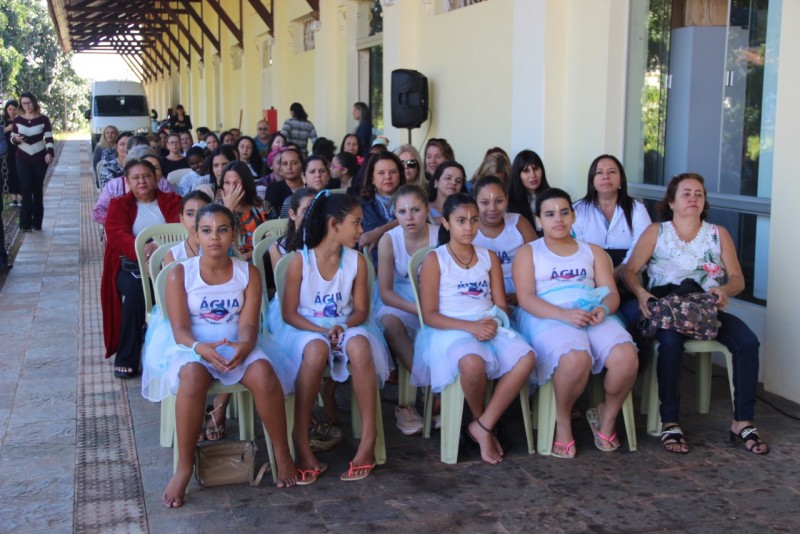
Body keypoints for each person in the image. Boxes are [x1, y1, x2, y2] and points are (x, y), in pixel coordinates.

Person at [142, 204, 298, 508]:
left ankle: (282, 453)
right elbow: (180, 330)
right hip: (193, 345)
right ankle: (184, 466)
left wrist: (245, 345)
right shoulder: (180, 274)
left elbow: (250, 323)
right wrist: (201, 348)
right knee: (192, 377)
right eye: (207, 230)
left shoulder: (247, 272)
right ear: (196, 235)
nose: (215, 237)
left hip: (236, 341)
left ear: (234, 234)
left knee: (265, 375)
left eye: (223, 229)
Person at [623, 173, 768, 455]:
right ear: (672, 202)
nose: (693, 198)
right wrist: (641, 294)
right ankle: (670, 421)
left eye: (698, 194)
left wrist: (725, 290)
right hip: (669, 308)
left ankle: (743, 421)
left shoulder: (718, 234)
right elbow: (630, 270)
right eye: (686, 193)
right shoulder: (657, 231)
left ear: (704, 202)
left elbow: (738, 278)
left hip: (705, 309)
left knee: (748, 341)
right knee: (670, 344)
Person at [512, 188, 638, 458]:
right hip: (547, 314)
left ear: (573, 217)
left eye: (564, 212)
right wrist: (563, 315)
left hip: (593, 311)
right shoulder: (528, 253)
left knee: (626, 358)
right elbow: (525, 298)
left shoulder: (592, 251)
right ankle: (563, 420)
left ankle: (606, 416)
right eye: (549, 214)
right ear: (538, 221)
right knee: (575, 359)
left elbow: (612, 292)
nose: (558, 218)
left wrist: (603, 309)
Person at [411, 193, 535, 464]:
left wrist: (494, 321)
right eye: (460, 220)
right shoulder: (435, 260)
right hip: (449, 328)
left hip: (487, 323)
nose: (468, 227)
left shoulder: (488, 256)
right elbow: (430, 315)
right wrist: (470, 327)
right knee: (471, 362)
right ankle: (481, 422)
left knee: (526, 358)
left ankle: (482, 426)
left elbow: (501, 304)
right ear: (445, 223)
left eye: (473, 220)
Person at [277, 191, 391, 482]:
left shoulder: (357, 262)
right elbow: (289, 313)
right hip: (305, 327)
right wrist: (321, 331)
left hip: (345, 323)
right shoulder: (299, 262)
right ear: (333, 224)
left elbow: (361, 310)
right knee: (315, 351)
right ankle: (301, 439)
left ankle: (369, 437)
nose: (361, 229)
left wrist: (342, 326)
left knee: (361, 346)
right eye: (356, 222)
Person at [101, 157, 182, 378]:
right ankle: (127, 357)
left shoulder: (173, 200)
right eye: (135, 178)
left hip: (169, 264)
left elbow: (182, 228)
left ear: (156, 178)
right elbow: (117, 235)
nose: (142, 181)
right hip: (130, 267)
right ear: (127, 181)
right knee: (137, 293)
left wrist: (159, 246)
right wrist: (143, 250)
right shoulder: (119, 204)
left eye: (146, 176)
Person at [376, 184, 439, 435]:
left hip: (436, 298)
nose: (409, 217)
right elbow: (385, 292)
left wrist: (429, 307)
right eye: (402, 211)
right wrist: (416, 308)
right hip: (400, 299)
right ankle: (431, 385)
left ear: (426, 210)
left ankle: (441, 392)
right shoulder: (389, 240)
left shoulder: (440, 235)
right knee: (391, 324)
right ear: (395, 214)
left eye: (415, 210)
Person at [472, 176, 537, 303]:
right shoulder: (469, 228)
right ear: (475, 202)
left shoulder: (519, 223)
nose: (492, 208)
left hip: (523, 291)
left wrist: (522, 295)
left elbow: (540, 261)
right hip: (481, 296)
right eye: (485, 202)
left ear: (507, 199)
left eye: (499, 201)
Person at [93, 146, 174, 225]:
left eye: (155, 168)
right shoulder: (114, 186)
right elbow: (98, 212)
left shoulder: (163, 184)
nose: (142, 180)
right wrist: (118, 220)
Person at [11, 92, 54, 232]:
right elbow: (12, 138)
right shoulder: (17, 120)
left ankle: (37, 223)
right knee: (26, 187)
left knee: (37, 188)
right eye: (24, 103)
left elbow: (48, 138)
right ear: (21, 105)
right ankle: (25, 224)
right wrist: (16, 139)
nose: (27, 106)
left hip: (39, 157)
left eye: (29, 102)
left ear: (34, 102)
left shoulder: (43, 119)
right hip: (22, 156)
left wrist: (49, 153)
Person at [358, 151, 406, 255]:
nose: (388, 177)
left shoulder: (412, 198)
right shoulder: (361, 206)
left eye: (393, 172)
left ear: (400, 175)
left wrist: (379, 231)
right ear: (372, 178)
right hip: (375, 265)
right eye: (381, 173)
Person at [219, 161, 268, 261]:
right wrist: (228, 209)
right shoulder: (215, 210)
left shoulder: (262, 207)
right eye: (227, 183)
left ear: (246, 184)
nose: (232, 188)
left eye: (237, 183)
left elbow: (272, 241)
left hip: (259, 260)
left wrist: (248, 255)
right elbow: (216, 240)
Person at [507, 149, 551, 233]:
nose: (533, 175)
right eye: (526, 171)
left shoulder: (552, 197)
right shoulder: (510, 203)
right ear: (518, 175)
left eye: (536, 168)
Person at [163, 191, 212, 265]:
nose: (196, 219)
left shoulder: (222, 249)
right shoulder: (173, 255)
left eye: (202, 213)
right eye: (190, 214)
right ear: (182, 219)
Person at [264, 146, 304, 215]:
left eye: (294, 163)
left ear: (302, 165)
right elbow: (270, 217)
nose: (289, 167)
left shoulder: (310, 186)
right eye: (285, 164)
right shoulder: (273, 189)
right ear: (281, 168)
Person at [426, 160, 467, 225]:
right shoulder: (424, 209)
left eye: (458, 181)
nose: (453, 183)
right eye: (448, 178)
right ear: (436, 182)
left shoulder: (465, 210)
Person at [2, 100, 22, 207]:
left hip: (20, 150)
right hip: (7, 151)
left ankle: (21, 196)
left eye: (14, 109)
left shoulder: (21, 120)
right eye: (10, 109)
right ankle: (13, 197)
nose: (12, 112)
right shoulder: (3, 121)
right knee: (11, 172)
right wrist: (6, 129)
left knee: (20, 172)